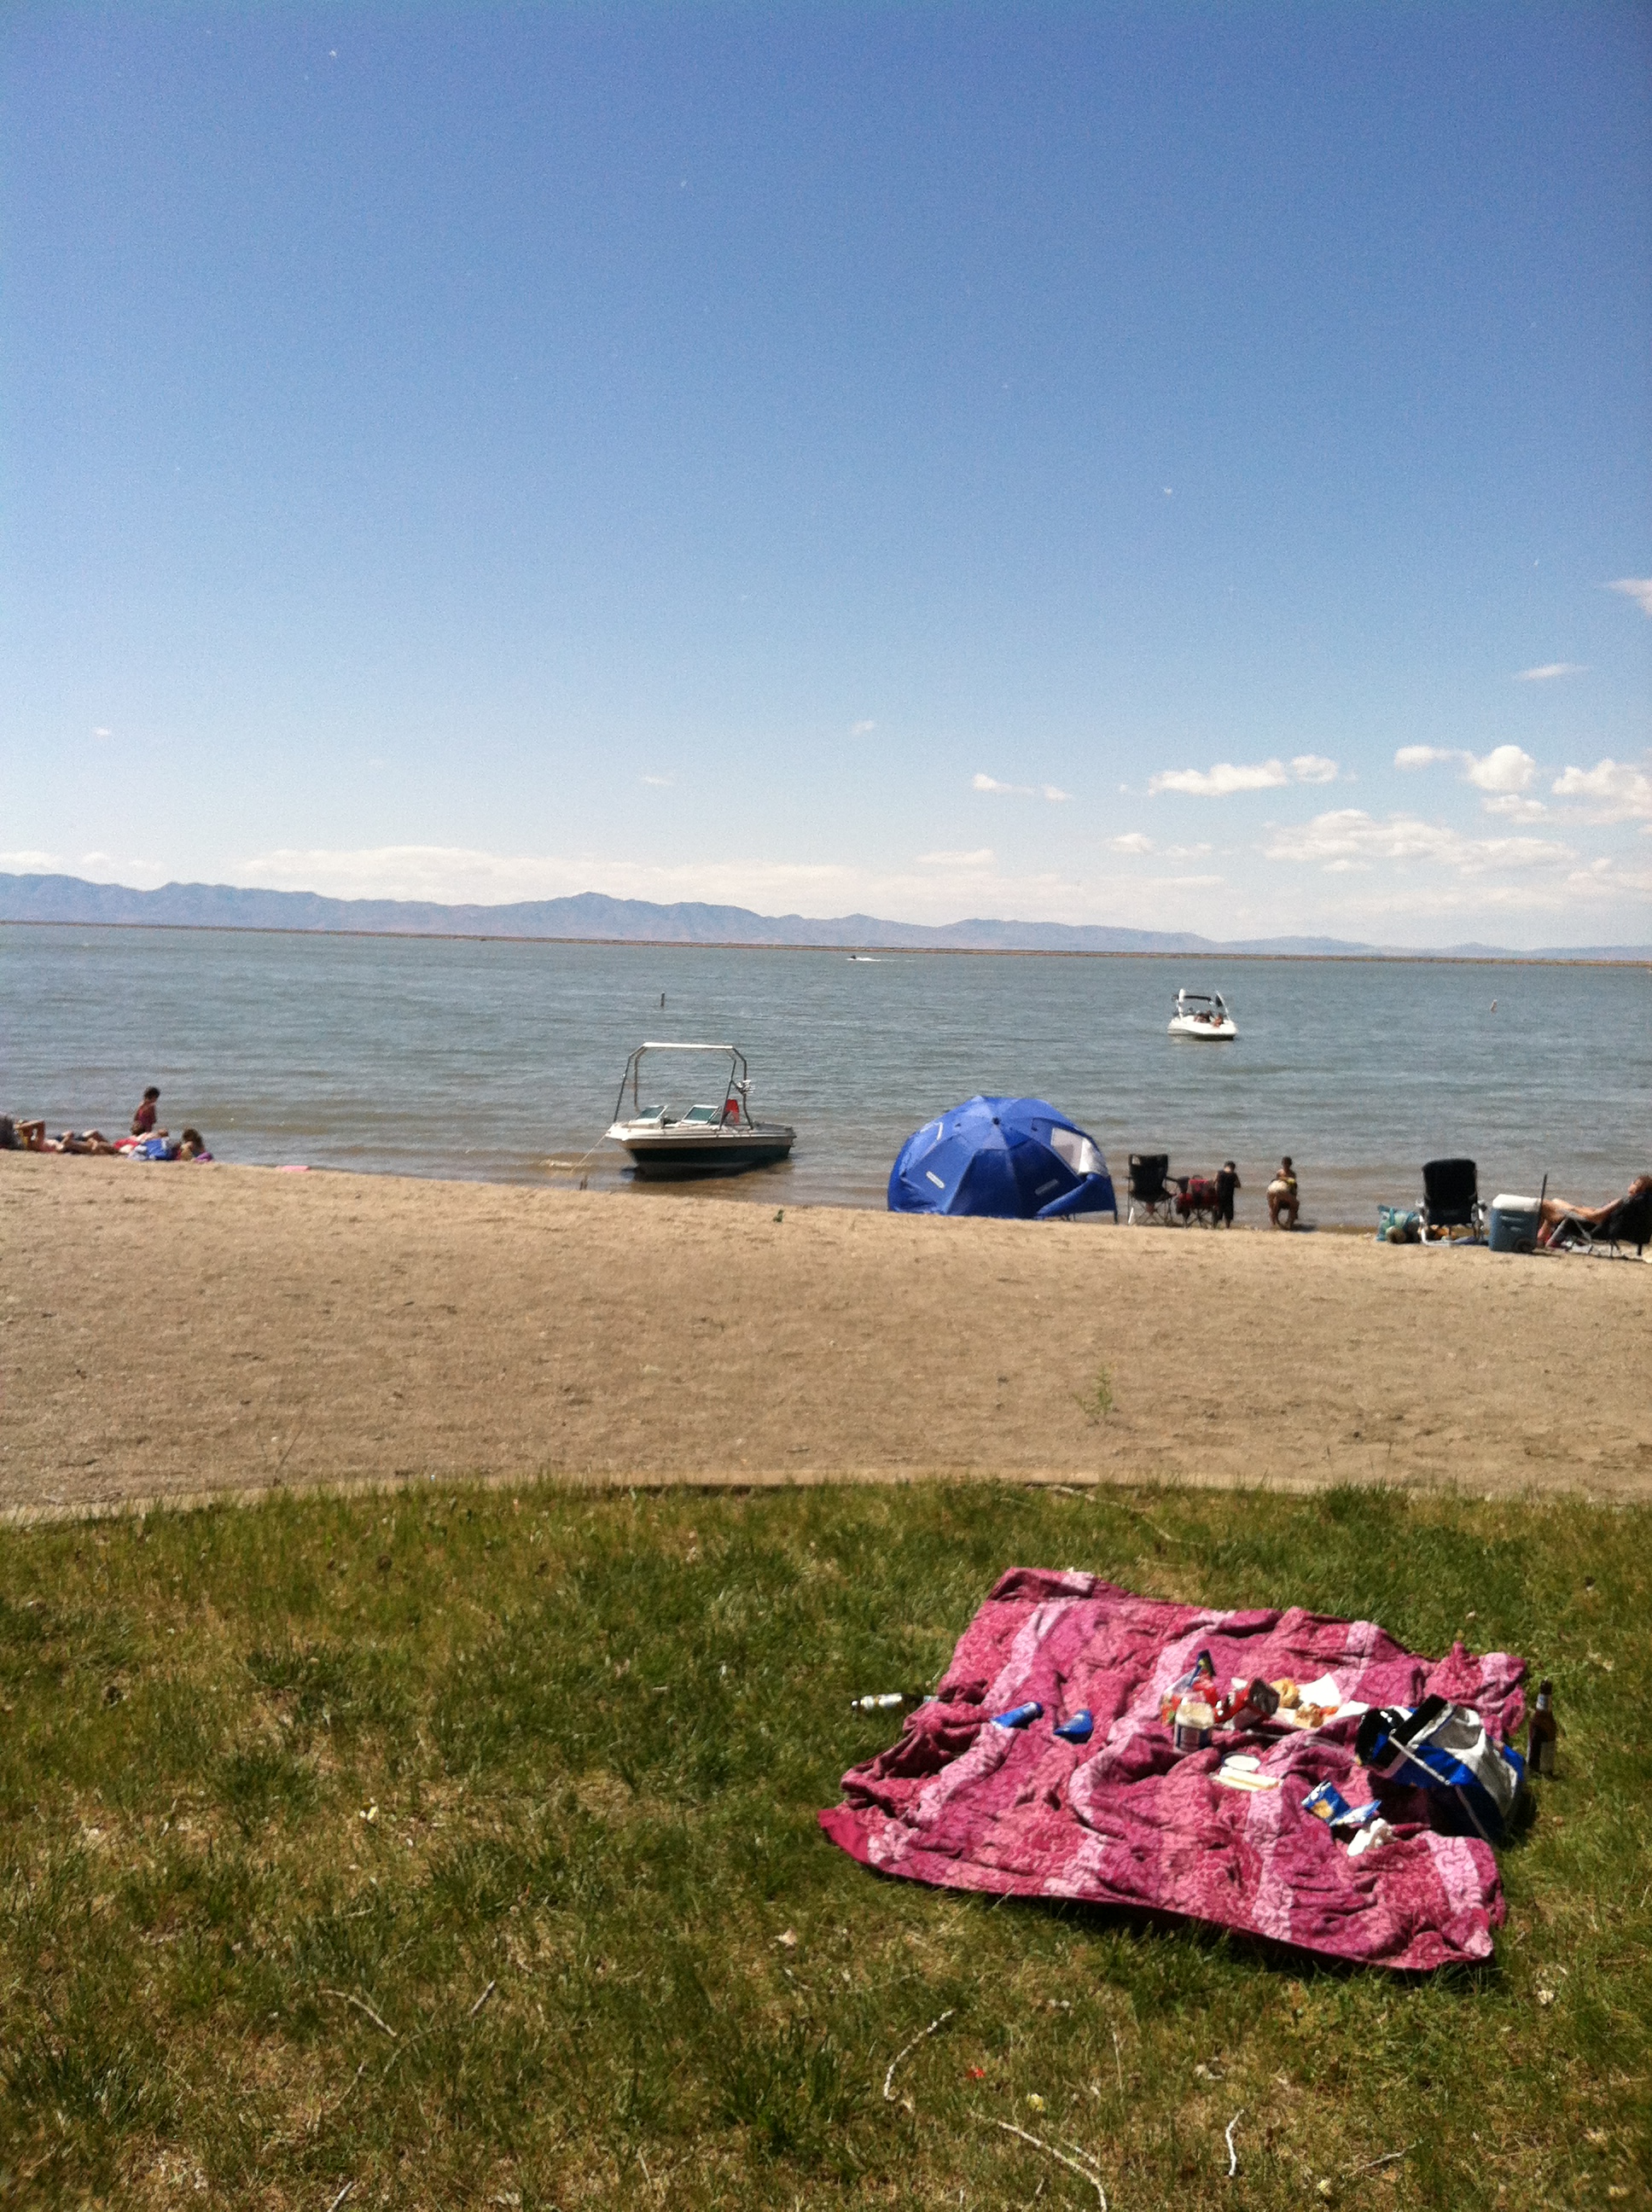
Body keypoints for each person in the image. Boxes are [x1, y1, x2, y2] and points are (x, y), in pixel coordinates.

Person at [1537, 1173, 1652, 1249]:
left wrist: (1573, 1209)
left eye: (1634, 1183)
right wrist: (1581, 1209)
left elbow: (1596, 1217)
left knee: (1546, 1204)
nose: (1631, 1184)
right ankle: (1544, 1239)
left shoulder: (1622, 1202)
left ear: (1639, 1188)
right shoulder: (1640, 1205)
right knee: (1556, 1202)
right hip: (1605, 1230)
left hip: (1592, 1230)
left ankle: (1540, 1240)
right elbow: (1603, 1214)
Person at [1267, 1155, 1300, 1230]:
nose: (1286, 1165)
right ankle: (1274, 1223)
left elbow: (1293, 1187)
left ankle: (1290, 1224)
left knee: (1295, 1204)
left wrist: (1286, 1180)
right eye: (1285, 1164)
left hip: (1288, 1194)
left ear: (1290, 1165)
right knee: (1274, 1204)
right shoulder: (1279, 1172)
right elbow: (1276, 1183)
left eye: (1287, 1164)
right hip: (1279, 1195)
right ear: (1282, 1164)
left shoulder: (1292, 1174)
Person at [1215, 1159, 1241, 1226]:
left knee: (1219, 1210)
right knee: (1228, 1212)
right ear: (1233, 1167)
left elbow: (1214, 1182)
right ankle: (1227, 1227)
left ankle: (1215, 1225)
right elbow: (1239, 1185)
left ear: (1225, 1166)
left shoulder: (1219, 1173)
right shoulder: (1234, 1175)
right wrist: (1232, 1185)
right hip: (1229, 1195)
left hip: (1219, 1195)